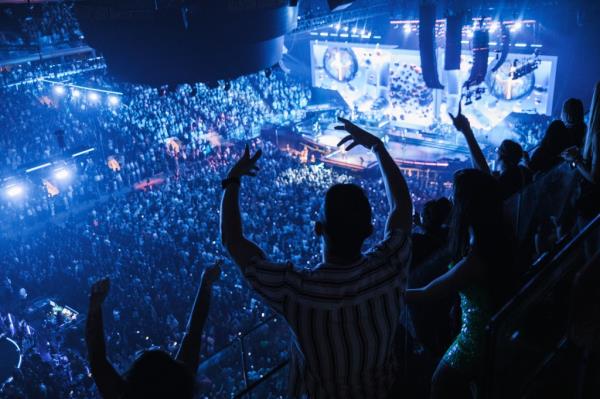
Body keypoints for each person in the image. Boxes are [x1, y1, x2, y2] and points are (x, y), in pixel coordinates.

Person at [220, 117, 413, 399]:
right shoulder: (390, 267)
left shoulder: (295, 290)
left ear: (318, 229)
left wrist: (232, 181)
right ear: (370, 230)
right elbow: (403, 208)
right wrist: (377, 147)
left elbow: (232, 241)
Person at [405, 169, 517, 399]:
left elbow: (428, 293)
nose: (451, 200)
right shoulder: (497, 235)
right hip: (489, 333)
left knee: (440, 383)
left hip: (474, 341)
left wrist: (387, 291)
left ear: (468, 204)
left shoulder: (476, 258)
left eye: (456, 195)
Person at [85, 262, 221, 399]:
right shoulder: (179, 384)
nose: (152, 346)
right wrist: (205, 283)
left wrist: (95, 308)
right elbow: (194, 331)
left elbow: (98, 362)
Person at [449, 102, 531, 199]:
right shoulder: (523, 174)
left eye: (498, 150)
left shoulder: (507, 180)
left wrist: (467, 131)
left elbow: (484, 174)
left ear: (501, 156)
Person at [562, 83, 600, 257]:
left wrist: (575, 160)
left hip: (591, 201)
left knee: (586, 249)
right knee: (576, 242)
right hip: (590, 202)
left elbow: (594, 177)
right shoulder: (590, 131)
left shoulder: (597, 134)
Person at [529, 98, 587, 174]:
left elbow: (541, 153)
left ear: (566, 114)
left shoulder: (557, 127)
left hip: (542, 169)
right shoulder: (583, 131)